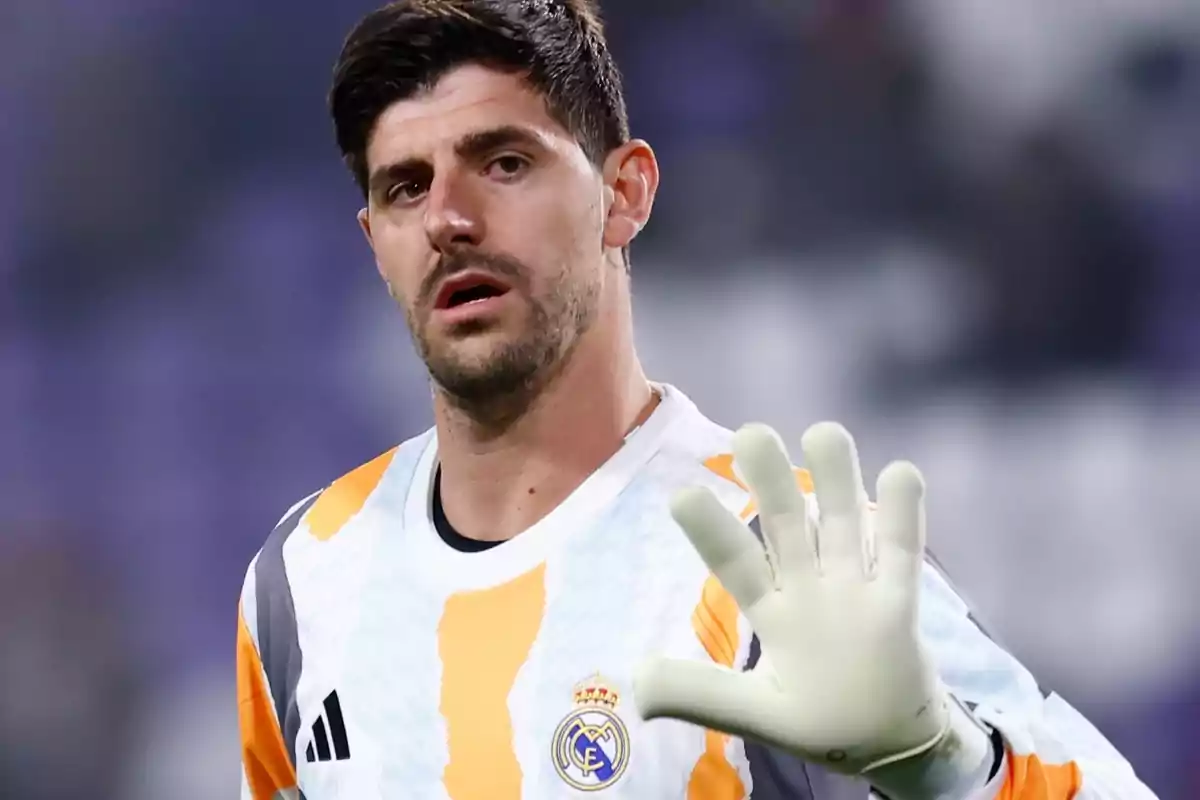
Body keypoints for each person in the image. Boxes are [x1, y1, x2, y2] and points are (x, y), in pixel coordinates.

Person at [236, 2, 1155, 798]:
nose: (449, 218)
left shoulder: (784, 562)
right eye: (406, 188)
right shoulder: (302, 577)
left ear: (625, 193)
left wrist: (943, 763)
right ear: (373, 241)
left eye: (505, 162)